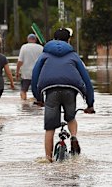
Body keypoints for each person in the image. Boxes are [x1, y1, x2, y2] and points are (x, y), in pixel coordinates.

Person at [31, 28, 95, 162]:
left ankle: (48, 159)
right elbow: (86, 79)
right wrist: (90, 103)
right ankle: (74, 136)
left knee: (50, 128)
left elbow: (35, 75)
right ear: (69, 40)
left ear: (54, 39)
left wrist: (38, 97)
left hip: (50, 90)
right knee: (71, 117)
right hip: (70, 89)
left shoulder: (44, 54)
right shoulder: (73, 55)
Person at [16, 34, 43, 100]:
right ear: (35, 40)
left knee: (23, 91)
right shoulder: (41, 48)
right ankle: (39, 105)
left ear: (28, 39)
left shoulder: (24, 47)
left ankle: (24, 105)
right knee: (38, 91)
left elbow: (20, 61)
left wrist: (17, 71)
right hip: (37, 73)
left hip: (26, 74)